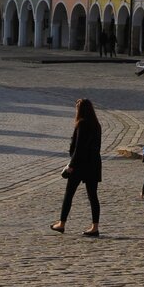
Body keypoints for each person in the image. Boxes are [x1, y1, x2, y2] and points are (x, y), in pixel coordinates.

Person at [51, 98, 102, 236]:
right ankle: (95, 227)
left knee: (69, 194)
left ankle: (61, 224)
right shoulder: (97, 125)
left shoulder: (82, 124)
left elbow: (79, 148)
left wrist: (71, 166)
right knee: (93, 196)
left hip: (80, 165)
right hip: (94, 163)